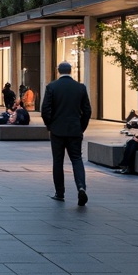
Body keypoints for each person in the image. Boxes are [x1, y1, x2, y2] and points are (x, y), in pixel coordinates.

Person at [41, 61, 91, 207]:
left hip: (57, 130)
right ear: (71, 71)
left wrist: (50, 125)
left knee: (58, 161)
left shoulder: (52, 87)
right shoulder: (80, 87)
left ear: (58, 71)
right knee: (77, 159)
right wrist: (81, 127)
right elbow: (87, 110)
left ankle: (60, 193)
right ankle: (81, 187)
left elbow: (45, 109)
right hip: (75, 129)